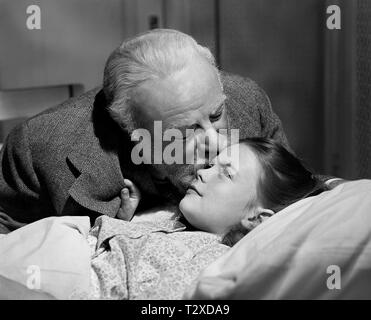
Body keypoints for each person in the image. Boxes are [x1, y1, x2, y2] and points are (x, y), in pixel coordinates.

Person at [0, 29, 292, 233]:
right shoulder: (40, 147)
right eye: (185, 133)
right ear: (131, 131)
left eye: (216, 115)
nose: (216, 144)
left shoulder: (249, 103)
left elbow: (296, 198)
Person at [0, 138, 327, 299]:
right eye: (212, 163)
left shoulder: (213, 261)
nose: (205, 171)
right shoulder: (179, 222)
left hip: (72, 276)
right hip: (63, 243)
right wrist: (126, 225)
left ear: (256, 218)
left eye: (225, 174)